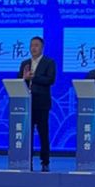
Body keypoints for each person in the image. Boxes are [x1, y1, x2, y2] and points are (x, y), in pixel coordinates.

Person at [18, 36, 56, 172]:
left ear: (42, 47)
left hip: (41, 104)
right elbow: (19, 80)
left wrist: (34, 77)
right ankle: (26, 160)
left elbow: (50, 80)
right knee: (27, 134)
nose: (33, 48)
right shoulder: (25, 63)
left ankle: (45, 161)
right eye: (31, 45)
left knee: (43, 134)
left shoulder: (49, 62)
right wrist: (24, 78)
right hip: (26, 104)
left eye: (36, 45)